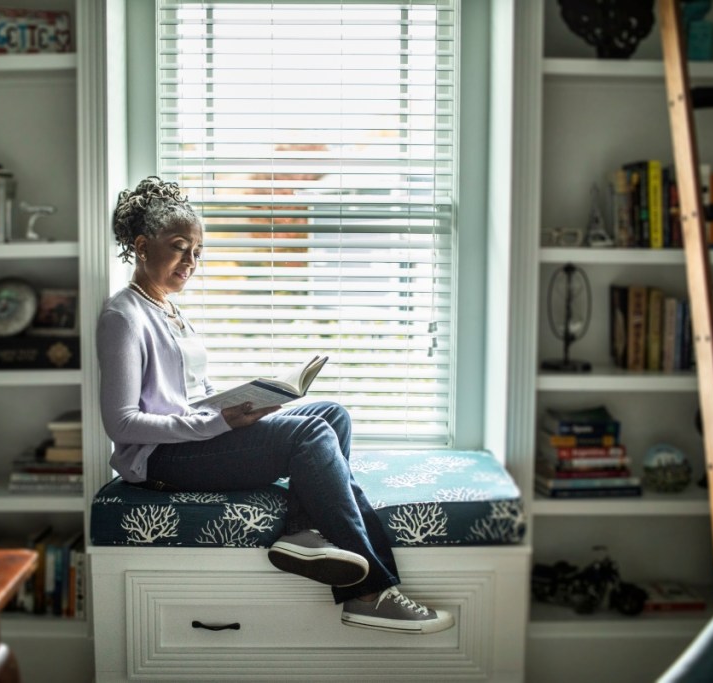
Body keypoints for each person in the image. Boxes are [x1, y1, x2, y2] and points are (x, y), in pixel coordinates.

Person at [96, 176, 454, 635]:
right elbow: (121, 423)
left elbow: (188, 397)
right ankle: (371, 593)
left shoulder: (169, 309)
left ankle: (303, 533)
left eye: (198, 252)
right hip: (159, 460)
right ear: (143, 247)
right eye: (181, 247)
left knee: (331, 415)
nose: (191, 261)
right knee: (308, 434)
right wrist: (216, 424)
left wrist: (243, 404)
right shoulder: (123, 316)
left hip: (193, 437)